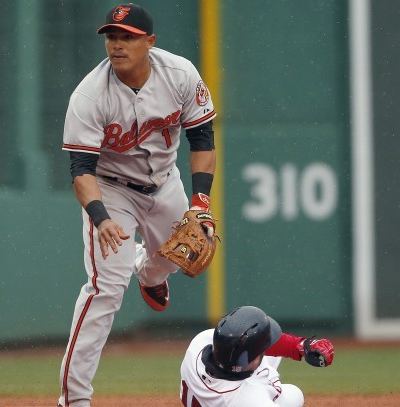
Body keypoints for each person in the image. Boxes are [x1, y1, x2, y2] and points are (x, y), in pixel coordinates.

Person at [58, 3, 217, 407]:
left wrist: (199, 203)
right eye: (112, 36)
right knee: (105, 290)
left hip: (165, 184)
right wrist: (101, 217)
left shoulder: (180, 75)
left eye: (127, 36)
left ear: (150, 42)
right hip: (111, 190)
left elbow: (203, 141)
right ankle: (73, 400)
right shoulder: (90, 95)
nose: (117, 44)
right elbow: (81, 169)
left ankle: (148, 272)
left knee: (178, 256)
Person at [180, 306, 334, 407]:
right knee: (295, 395)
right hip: (241, 395)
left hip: (221, 386)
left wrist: (300, 346)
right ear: (251, 360)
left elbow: (240, 339)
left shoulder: (199, 344)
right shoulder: (251, 399)